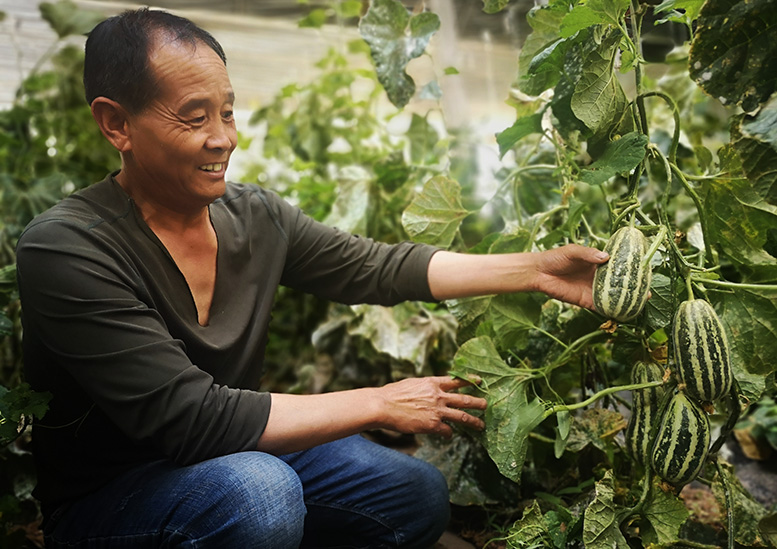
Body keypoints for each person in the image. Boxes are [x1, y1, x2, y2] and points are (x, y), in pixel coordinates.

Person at [15, 8, 609, 549]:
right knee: (259, 493)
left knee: (413, 494)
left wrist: (535, 270)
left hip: (231, 456)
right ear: (116, 124)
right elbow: (194, 421)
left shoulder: (255, 217)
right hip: (115, 502)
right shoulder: (69, 247)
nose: (224, 138)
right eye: (194, 117)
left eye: (227, 111)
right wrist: (378, 402)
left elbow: (377, 268)